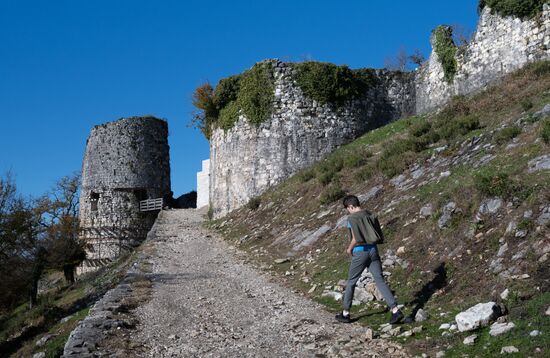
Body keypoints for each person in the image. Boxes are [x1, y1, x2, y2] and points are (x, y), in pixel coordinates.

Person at [335, 195, 403, 324]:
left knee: (351, 283)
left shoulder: (352, 218)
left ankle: (345, 313)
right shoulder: (369, 214)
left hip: (360, 252)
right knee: (380, 280)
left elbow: (355, 238)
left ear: (350, 206)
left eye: (347, 209)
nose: (347, 211)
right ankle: (395, 310)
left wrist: (349, 249)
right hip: (373, 250)